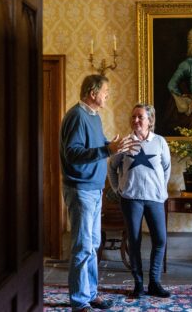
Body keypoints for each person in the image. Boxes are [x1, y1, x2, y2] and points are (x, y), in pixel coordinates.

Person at [60, 74, 140, 312]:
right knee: (83, 246)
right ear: (93, 93)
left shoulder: (93, 116)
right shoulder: (76, 115)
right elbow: (72, 152)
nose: (108, 95)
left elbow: (94, 146)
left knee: (93, 244)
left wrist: (113, 146)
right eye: (105, 91)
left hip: (94, 189)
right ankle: (79, 301)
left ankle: (90, 293)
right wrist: (107, 148)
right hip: (80, 188)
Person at [108, 104, 172, 299]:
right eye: (133, 116)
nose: (135, 120)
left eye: (140, 117)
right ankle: (138, 284)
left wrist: (160, 187)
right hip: (131, 199)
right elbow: (112, 167)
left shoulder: (160, 142)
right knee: (134, 242)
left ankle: (154, 282)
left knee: (160, 239)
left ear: (149, 121)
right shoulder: (125, 142)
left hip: (155, 199)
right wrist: (117, 188)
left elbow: (166, 167)